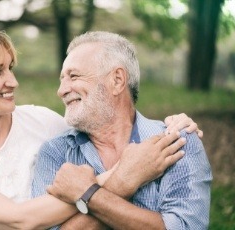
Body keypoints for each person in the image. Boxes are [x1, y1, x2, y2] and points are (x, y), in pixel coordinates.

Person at [0, 20, 203, 230]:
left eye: (10, 68)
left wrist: (175, 126)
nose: (13, 81)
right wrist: (123, 177)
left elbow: (103, 127)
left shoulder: (41, 122)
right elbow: (21, 221)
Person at [32, 31, 212, 229]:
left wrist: (88, 194)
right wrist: (122, 181)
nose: (61, 90)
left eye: (73, 76)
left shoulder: (178, 141)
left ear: (117, 80)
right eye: (62, 79)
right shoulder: (55, 153)